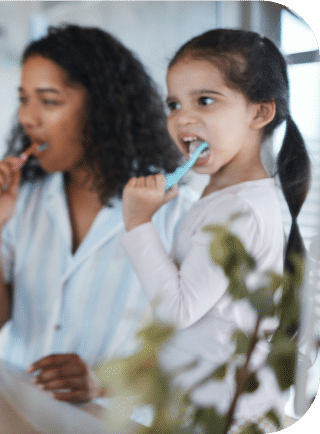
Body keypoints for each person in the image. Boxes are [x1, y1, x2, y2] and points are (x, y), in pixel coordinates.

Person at [0, 24, 192, 403]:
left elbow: (193, 353)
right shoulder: (24, 201)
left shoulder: (174, 213)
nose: (28, 118)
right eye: (24, 99)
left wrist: (102, 382)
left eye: (48, 101)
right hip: (21, 414)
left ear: (102, 108)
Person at [121, 28, 310, 430]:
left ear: (259, 113)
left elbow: (177, 311)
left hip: (221, 417)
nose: (182, 118)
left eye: (205, 100)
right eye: (173, 103)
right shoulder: (227, 199)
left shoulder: (237, 209)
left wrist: (137, 223)